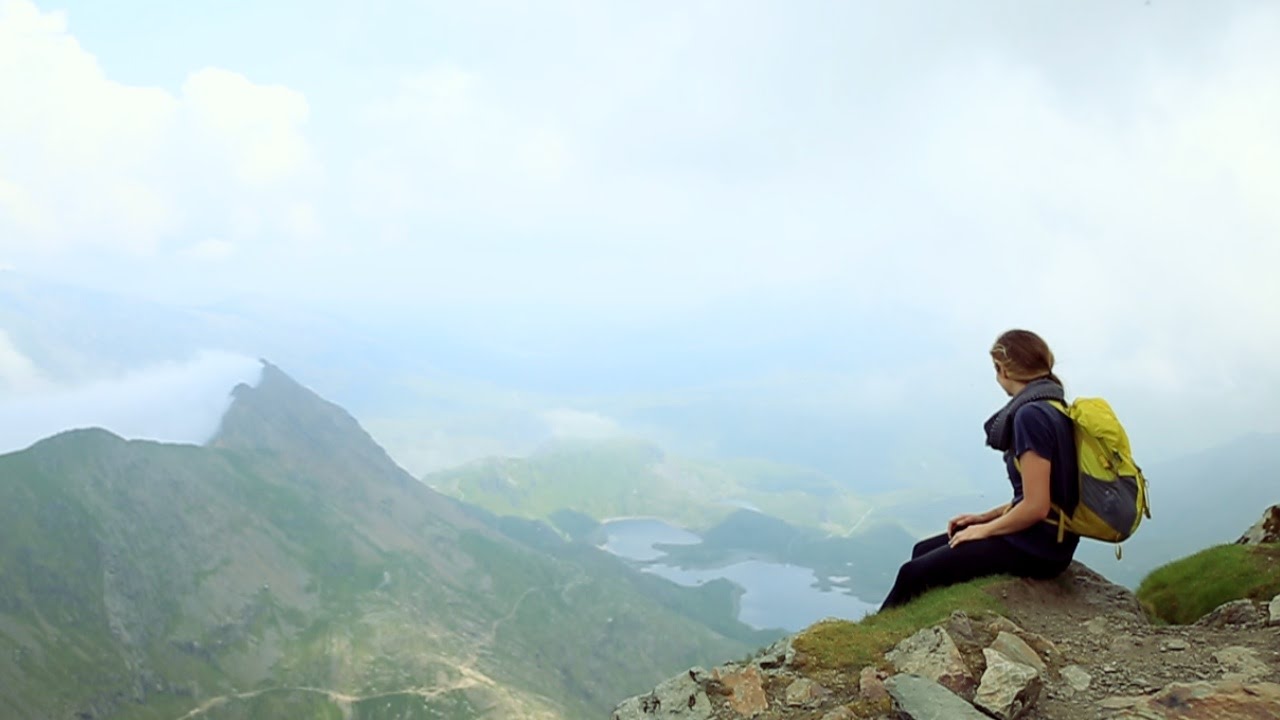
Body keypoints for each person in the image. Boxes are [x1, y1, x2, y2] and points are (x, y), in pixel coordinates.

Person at [878, 329, 1080, 610]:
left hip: (1038, 546)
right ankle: (910, 621)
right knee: (922, 550)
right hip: (1050, 538)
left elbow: (1036, 506)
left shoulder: (1030, 416)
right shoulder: (1053, 404)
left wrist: (984, 531)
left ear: (1003, 369)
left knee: (912, 574)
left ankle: (880, 633)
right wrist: (982, 518)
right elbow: (1042, 495)